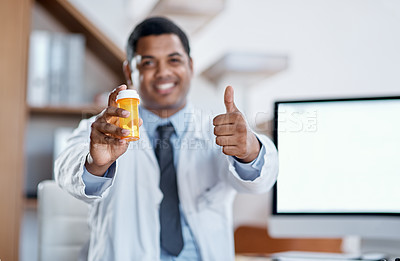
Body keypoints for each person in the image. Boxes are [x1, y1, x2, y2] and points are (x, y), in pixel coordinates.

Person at [55, 17, 278, 261]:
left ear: (191, 66)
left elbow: (261, 180)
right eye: (148, 62)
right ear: (130, 71)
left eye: (174, 60)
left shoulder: (218, 129)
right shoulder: (103, 129)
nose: (163, 73)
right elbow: (66, 170)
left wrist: (249, 152)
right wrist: (96, 164)